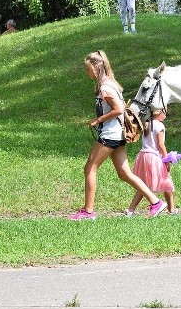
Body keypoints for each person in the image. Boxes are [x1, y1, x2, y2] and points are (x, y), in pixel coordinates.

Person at [70, 51, 167, 220]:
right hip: (117, 135)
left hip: (110, 134)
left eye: (88, 69)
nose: (87, 73)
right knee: (124, 174)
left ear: (95, 67)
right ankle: (155, 202)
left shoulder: (106, 87)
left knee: (90, 169)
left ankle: (88, 211)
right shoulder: (110, 84)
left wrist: (97, 120)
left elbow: (119, 110)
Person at [126, 107, 177, 215]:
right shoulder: (159, 126)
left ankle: (130, 210)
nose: (166, 115)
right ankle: (172, 210)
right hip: (154, 157)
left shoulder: (147, 123)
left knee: (143, 185)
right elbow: (161, 144)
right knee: (166, 182)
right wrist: (166, 159)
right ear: (159, 113)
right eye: (165, 113)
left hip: (143, 156)